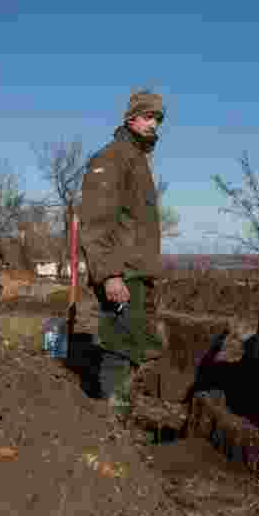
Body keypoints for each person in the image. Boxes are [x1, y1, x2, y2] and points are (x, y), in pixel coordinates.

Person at [80, 90, 167, 418]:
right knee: (119, 348)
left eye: (158, 119)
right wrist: (109, 274)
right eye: (148, 117)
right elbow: (96, 221)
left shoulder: (136, 160)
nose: (154, 124)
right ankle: (112, 430)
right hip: (122, 273)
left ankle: (122, 427)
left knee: (133, 349)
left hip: (137, 273)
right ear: (130, 118)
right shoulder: (113, 158)